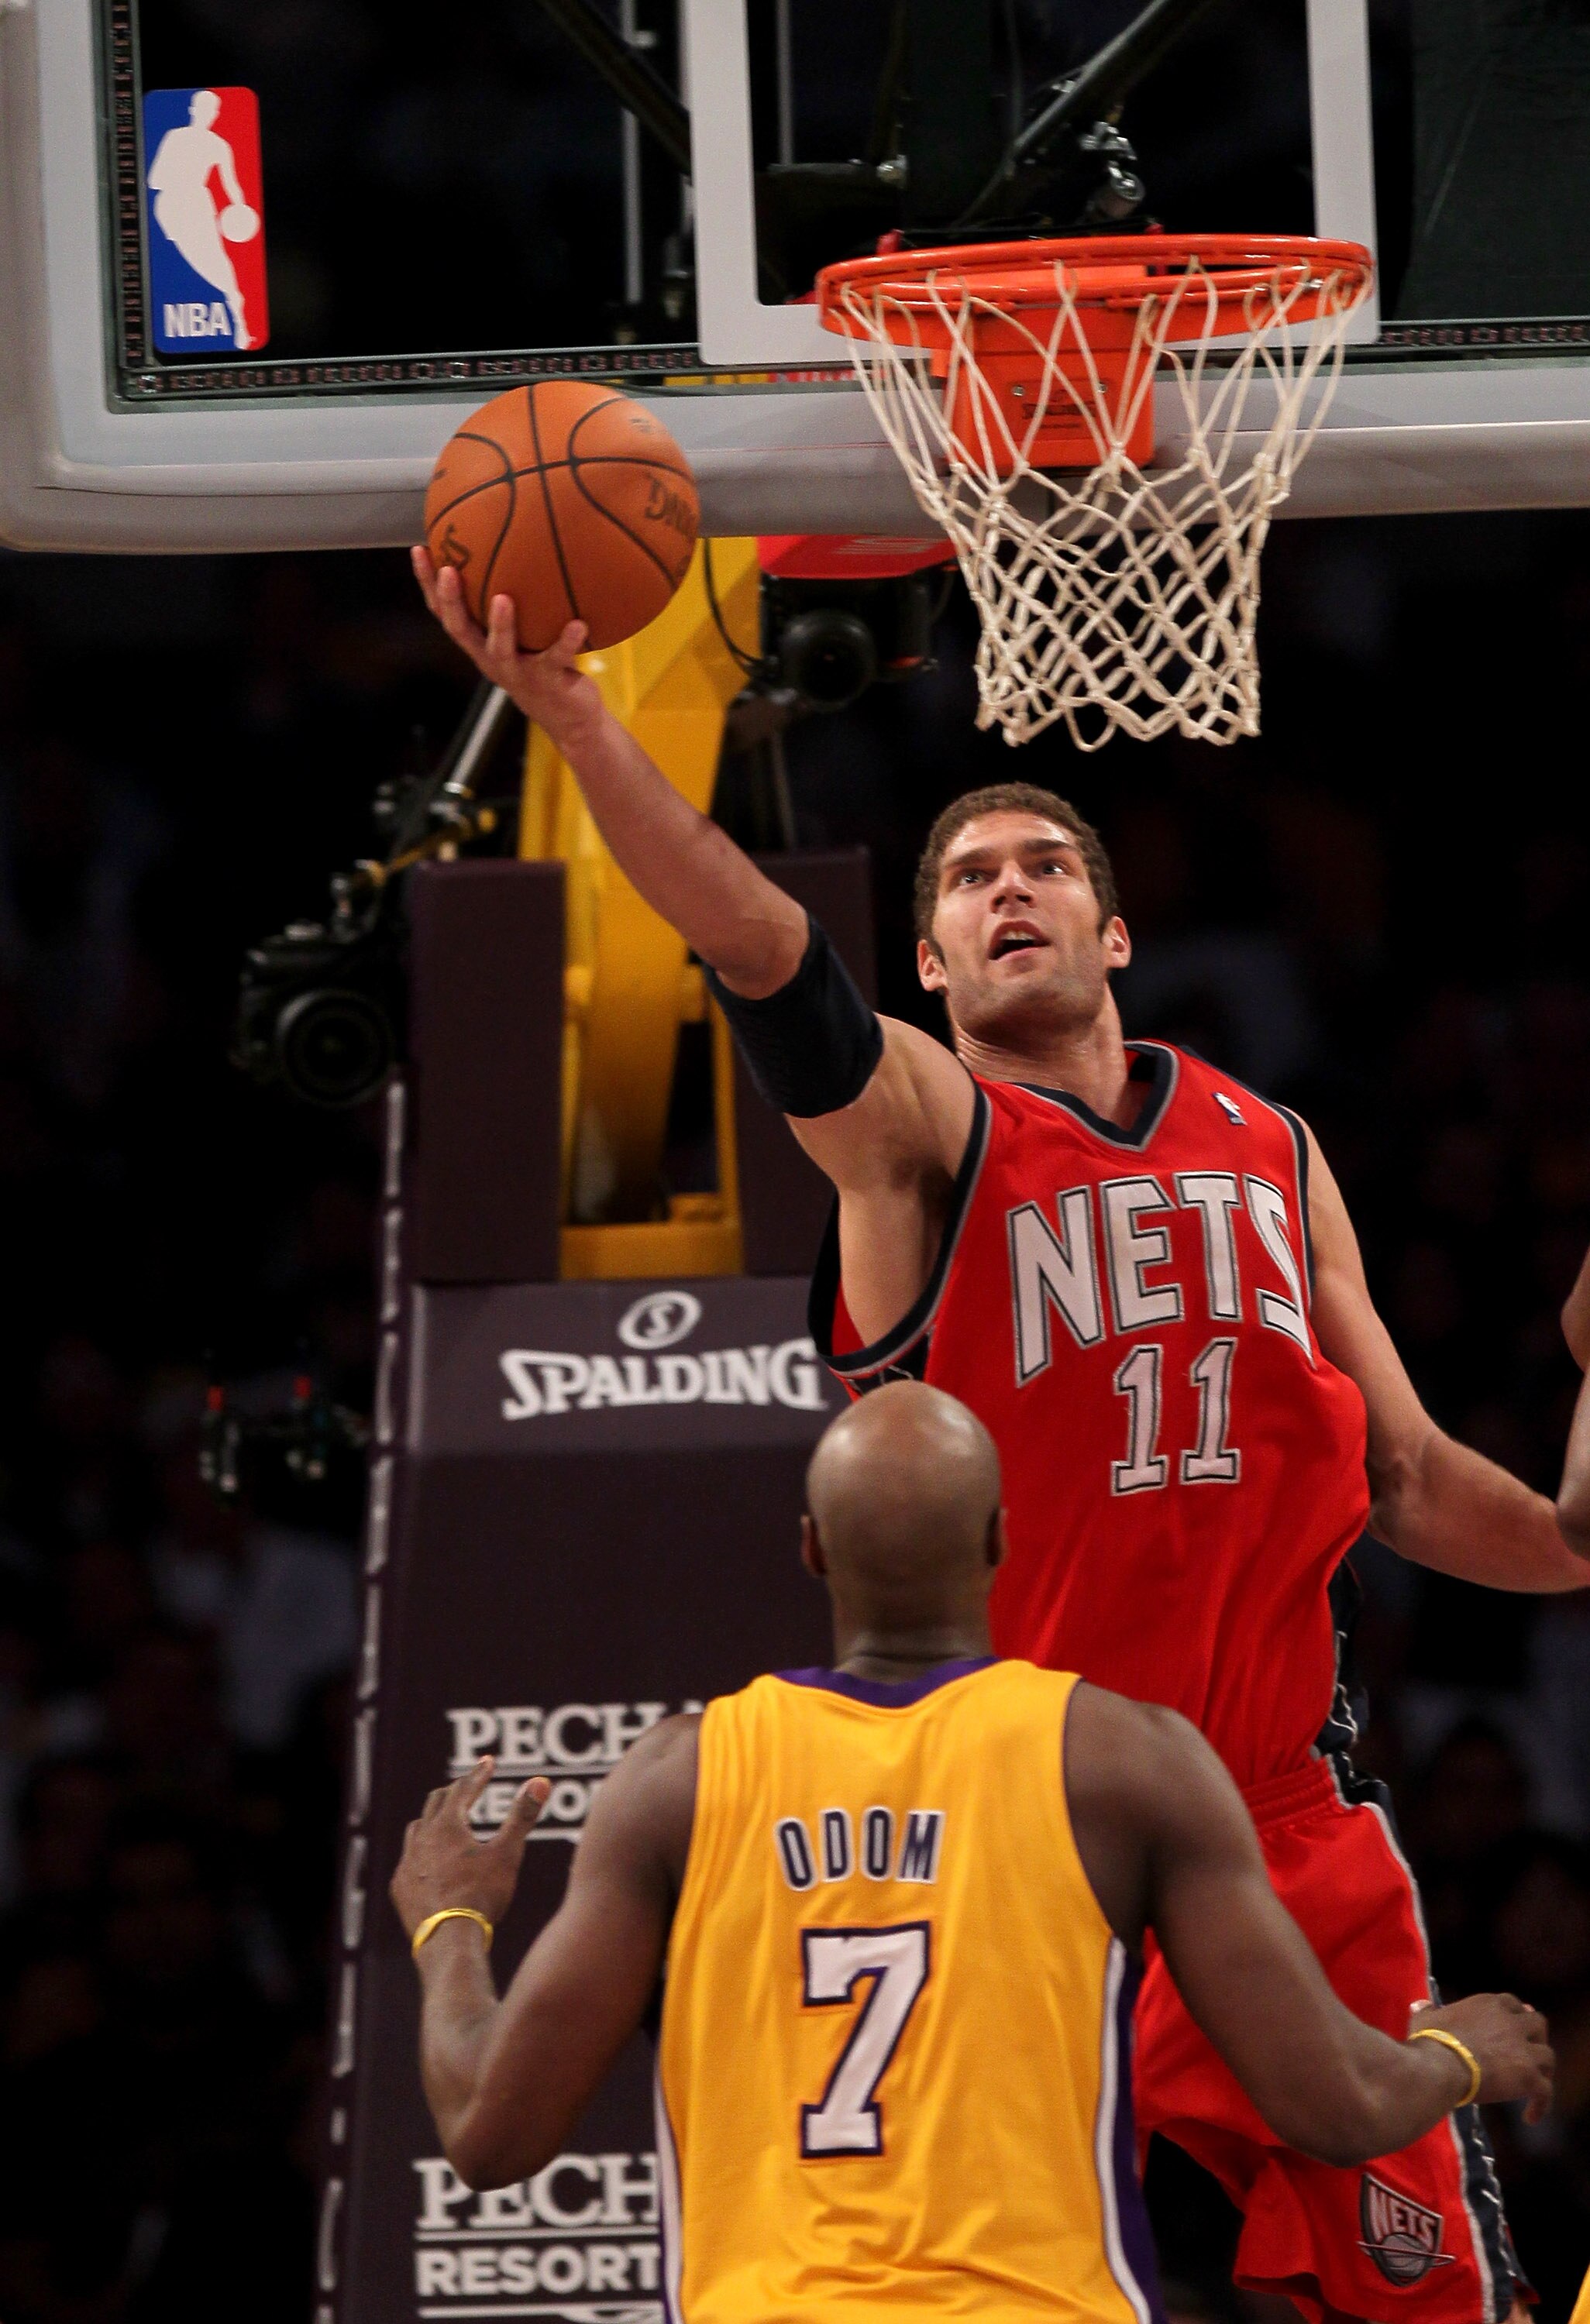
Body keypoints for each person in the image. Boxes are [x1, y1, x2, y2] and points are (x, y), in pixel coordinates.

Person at [412, 563, 1588, 2324]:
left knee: (1430, 2301)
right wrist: (582, 721)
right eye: (970, 879)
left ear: (1116, 933)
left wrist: (1574, 1533)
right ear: (933, 962)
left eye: (1046, 865)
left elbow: (1409, 1480)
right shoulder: (919, 1131)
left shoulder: (1268, 1144)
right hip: (1007, 1818)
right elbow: (759, 953)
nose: (1010, 886)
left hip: (1276, 1812)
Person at [391, 1384, 1554, 2324]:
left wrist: (452, 1925)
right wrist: (1461, 2054)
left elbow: (492, 2132)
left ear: (808, 1550)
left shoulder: (678, 1779)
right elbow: (1337, 2103)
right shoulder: (1122, 1760)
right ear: (1002, 1540)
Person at [146, 91, 256, 349]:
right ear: (193, 110)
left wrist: (240, 208)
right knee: (184, 264)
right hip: (172, 206)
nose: (208, 115)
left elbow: (232, 185)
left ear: (216, 115)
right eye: (203, 109)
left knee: (218, 264)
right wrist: (180, 179)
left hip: (198, 205)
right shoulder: (175, 137)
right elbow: (153, 180)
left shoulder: (219, 145)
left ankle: (239, 323)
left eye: (212, 111)